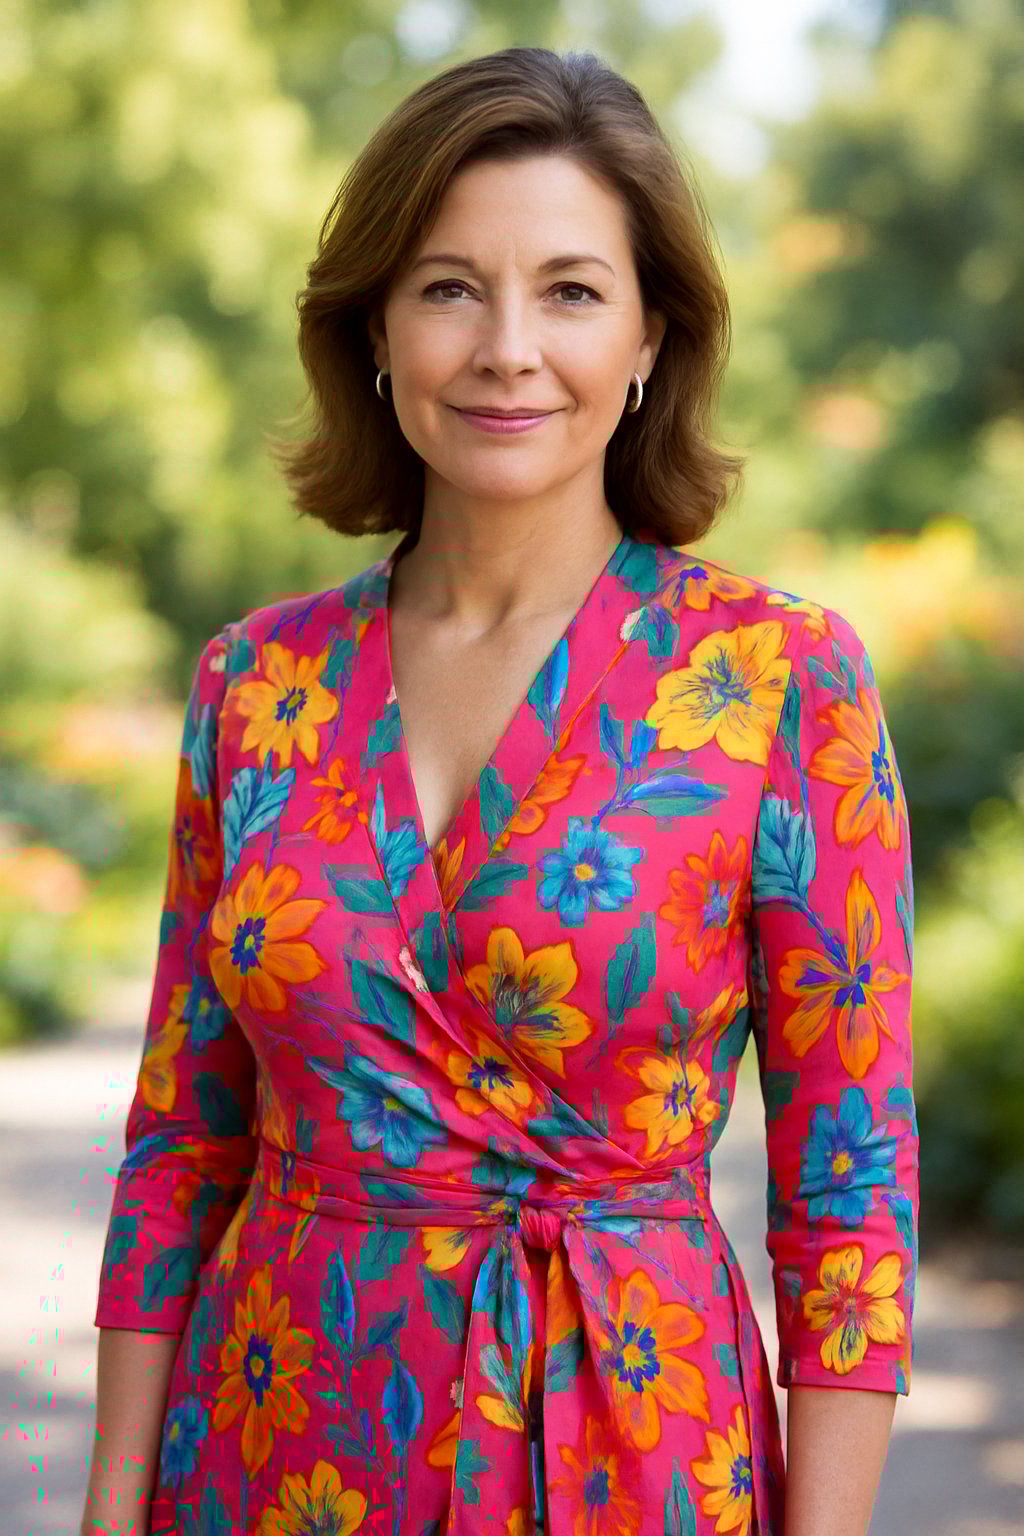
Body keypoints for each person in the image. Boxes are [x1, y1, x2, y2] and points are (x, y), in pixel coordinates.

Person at [82, 46, 919, 1536]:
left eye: (573, 291)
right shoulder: (254, 687)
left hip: (633, 1456)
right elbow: (179, 1152)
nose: (508, 348)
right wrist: (108, 1509)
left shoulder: (779, 680)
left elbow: (849, 1195)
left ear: (652, 336)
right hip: (272, 1455)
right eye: (451, 288)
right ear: (377, 329)